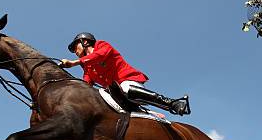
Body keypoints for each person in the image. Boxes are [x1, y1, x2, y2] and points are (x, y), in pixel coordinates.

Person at [61, 32, 190, 116]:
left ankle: (172, 103)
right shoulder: (87, 66)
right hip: (117, 94)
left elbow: (99, 56)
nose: (74, 51)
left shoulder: (101, 45)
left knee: (125, 88)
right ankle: (148, 113)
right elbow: (86, 83)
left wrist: (74, 63)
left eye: (75, 46)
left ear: (85, 41)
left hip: (129, 82)